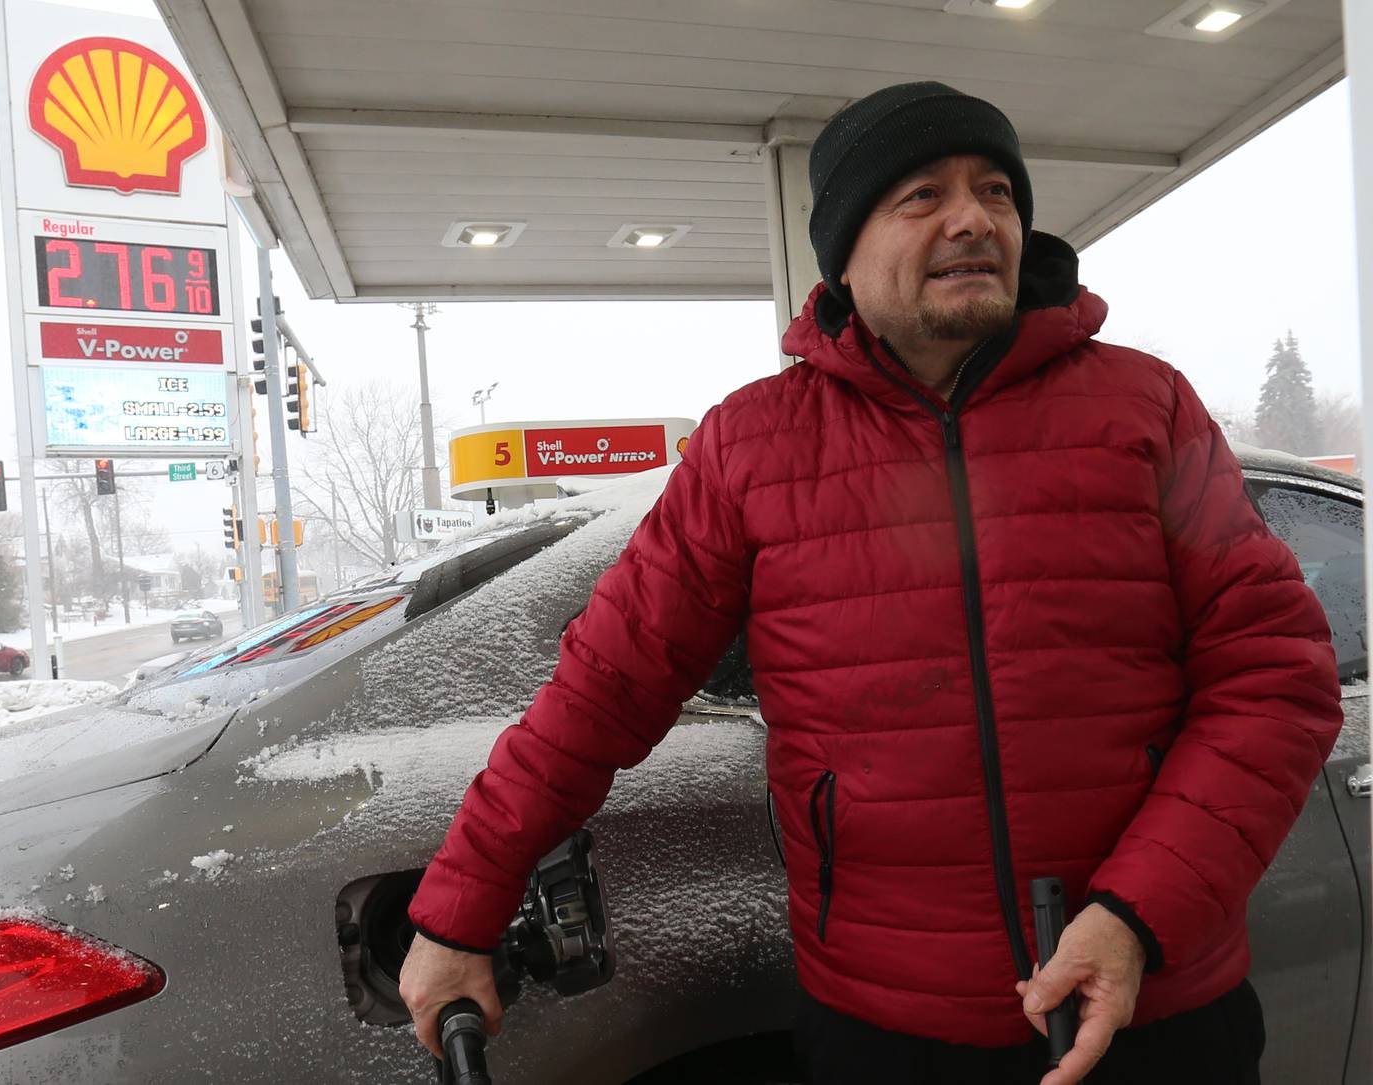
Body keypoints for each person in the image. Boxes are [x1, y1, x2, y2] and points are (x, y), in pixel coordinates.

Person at [399, 82, 1342, 1085]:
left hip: (1159, 1014)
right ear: (843, 249)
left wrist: (1137, 913)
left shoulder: (1144, 409)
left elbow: (1277, 677)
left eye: (996, 191)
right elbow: (603, 689)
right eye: (922, 195)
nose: (975, 218)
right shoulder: (752, 448)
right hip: (884, 1033)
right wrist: (461, 904)